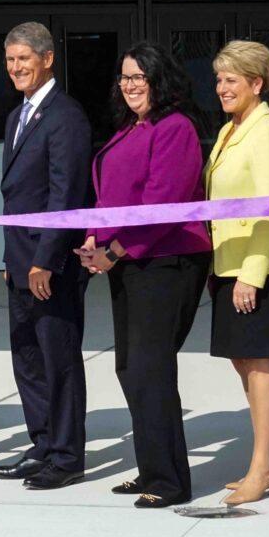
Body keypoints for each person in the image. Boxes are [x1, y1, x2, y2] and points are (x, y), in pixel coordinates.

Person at [76, 41, 211, 508]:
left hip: (167, 260)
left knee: (151, 368)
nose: (130, 85)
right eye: (125, 77)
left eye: (139, 77)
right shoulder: (131, 128)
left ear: (160, 80)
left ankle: (170, 481)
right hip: (131, 261)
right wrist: (95, 238)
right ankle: (152, 468)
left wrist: (115, 248)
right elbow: (109, 198)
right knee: (131, 366)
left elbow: (163, 203)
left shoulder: (175, 128)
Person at [0, 22, 91, 490]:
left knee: (59, 357)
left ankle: (69, 455)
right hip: (19, 262)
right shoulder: (17, 117)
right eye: (10, 60)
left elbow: (65, 194)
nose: (15, 68)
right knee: (27, 356)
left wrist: (45, 260)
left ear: (47, 59)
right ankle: (44, 443)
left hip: (49, 264)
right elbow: (14, 195)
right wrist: (13, 263)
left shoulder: (65, 116)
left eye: (24, 59)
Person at [206, 40, 269, 506]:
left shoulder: (267, 133)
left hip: (260, 267)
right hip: (228, 264)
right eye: (220, 79)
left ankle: (261, 468)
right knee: (243, 361)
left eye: (232, 80)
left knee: (259, 363)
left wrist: (252, 275)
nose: (222, 87)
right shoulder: (231, 129)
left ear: (256, 84)